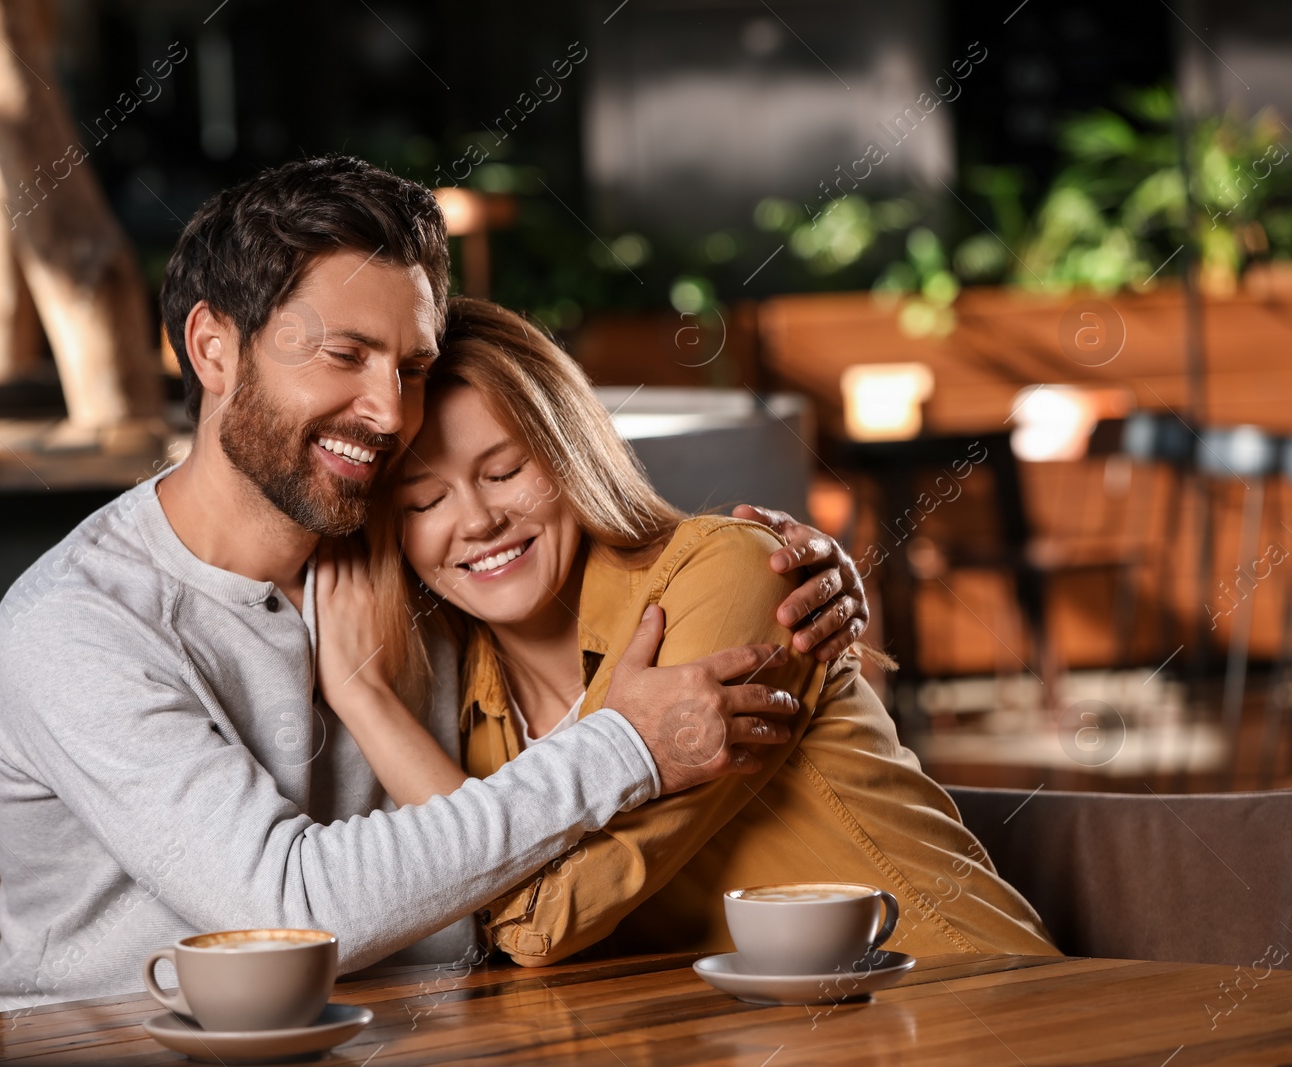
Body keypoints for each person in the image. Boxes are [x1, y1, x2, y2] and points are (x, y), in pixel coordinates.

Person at [0, 156, 867, 1020]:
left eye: (412, 367)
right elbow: (288, 909)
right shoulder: (78, 624)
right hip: (100, 1046)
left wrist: (786, 563)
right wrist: (626, 747)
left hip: (416, 1037)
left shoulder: (424, 560)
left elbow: (614, 600)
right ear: (213, 350)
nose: (391, 412)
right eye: (344, 356)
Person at [313, 296, 1060, 967]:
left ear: (572, 454)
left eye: (505, 470)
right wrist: (364, 693)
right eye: (423, 502)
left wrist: (372, 705)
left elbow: (531, 922)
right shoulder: (472, 707)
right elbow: (479, 905)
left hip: (967, 1004)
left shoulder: (733, 576)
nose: (476, 521)